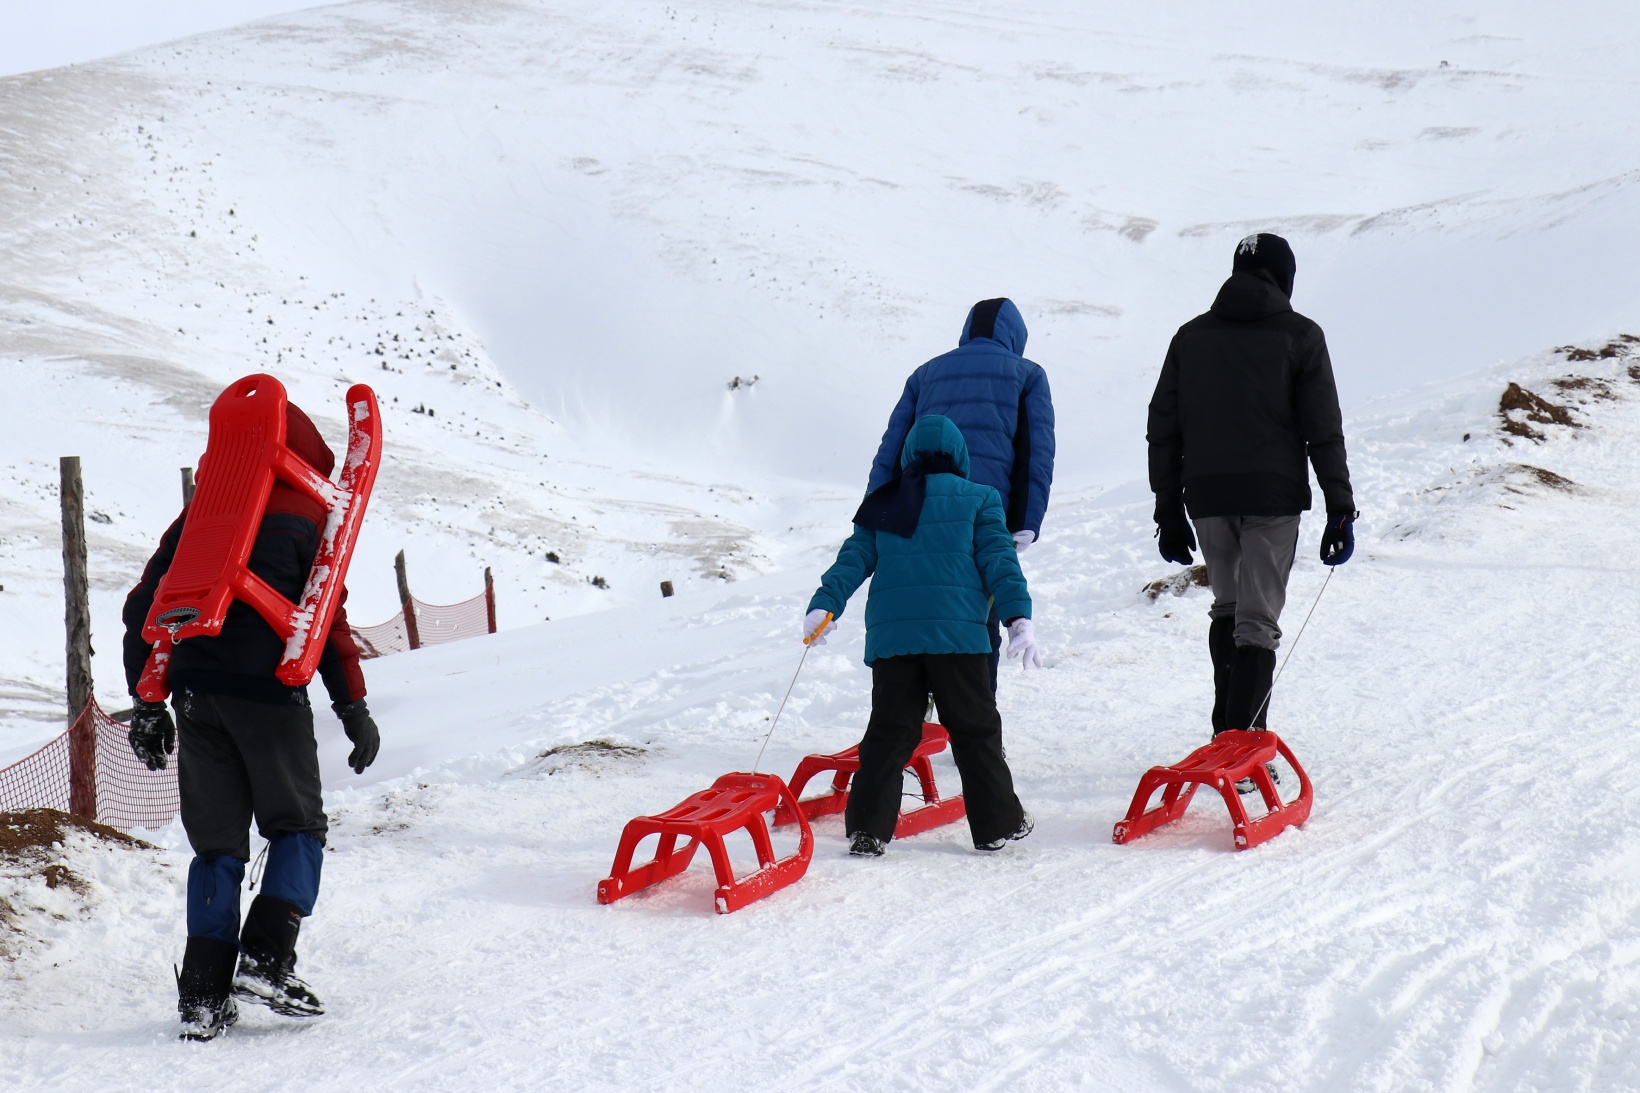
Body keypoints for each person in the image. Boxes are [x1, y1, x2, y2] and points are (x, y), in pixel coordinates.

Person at [122, 399, 380, 1041]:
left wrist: (147, 704)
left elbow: (140, 609)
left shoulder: (202, 513)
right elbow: (327, 619)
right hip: (268, 693)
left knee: (215, 846)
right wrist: (353, 707)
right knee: (297, 826)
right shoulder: (310, 515)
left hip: (195, 693)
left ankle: (204, 996)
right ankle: (267, 957)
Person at [1146, 232, 1356, 745]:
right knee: (1257, 624)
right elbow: (1322, 429)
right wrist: (1339, 506)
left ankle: (1228, 738)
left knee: (1229, 609)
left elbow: (1163, 429)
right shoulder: (1301, 336)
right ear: (1283, 278)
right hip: (1272, 496)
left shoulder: (1189, 338)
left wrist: (1168, 510)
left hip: (1209, 497)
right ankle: (1239, 748)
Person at [806, 414, 1040, 857]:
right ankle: (996, 825)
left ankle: (868, 830)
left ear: (909, 456)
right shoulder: (980, 499)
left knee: (889, 733)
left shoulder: (886, 500)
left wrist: (825, 604)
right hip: (960, 637)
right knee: (975, 731)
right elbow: (999, 562)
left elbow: (854, 558)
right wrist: (1018, 619)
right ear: (959, 456)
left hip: (895, 639)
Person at [865, 298, 1055, 690]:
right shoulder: (1027, 374)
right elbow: (1035, 454)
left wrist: (878, 514)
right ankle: (975, 726)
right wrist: (1027, 521)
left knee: (919, 608)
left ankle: (912, 717)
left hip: (916, 510)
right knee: (975, 618)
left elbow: (892, 448)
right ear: (1015, 336)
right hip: (985, 513)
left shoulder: (926, 374)